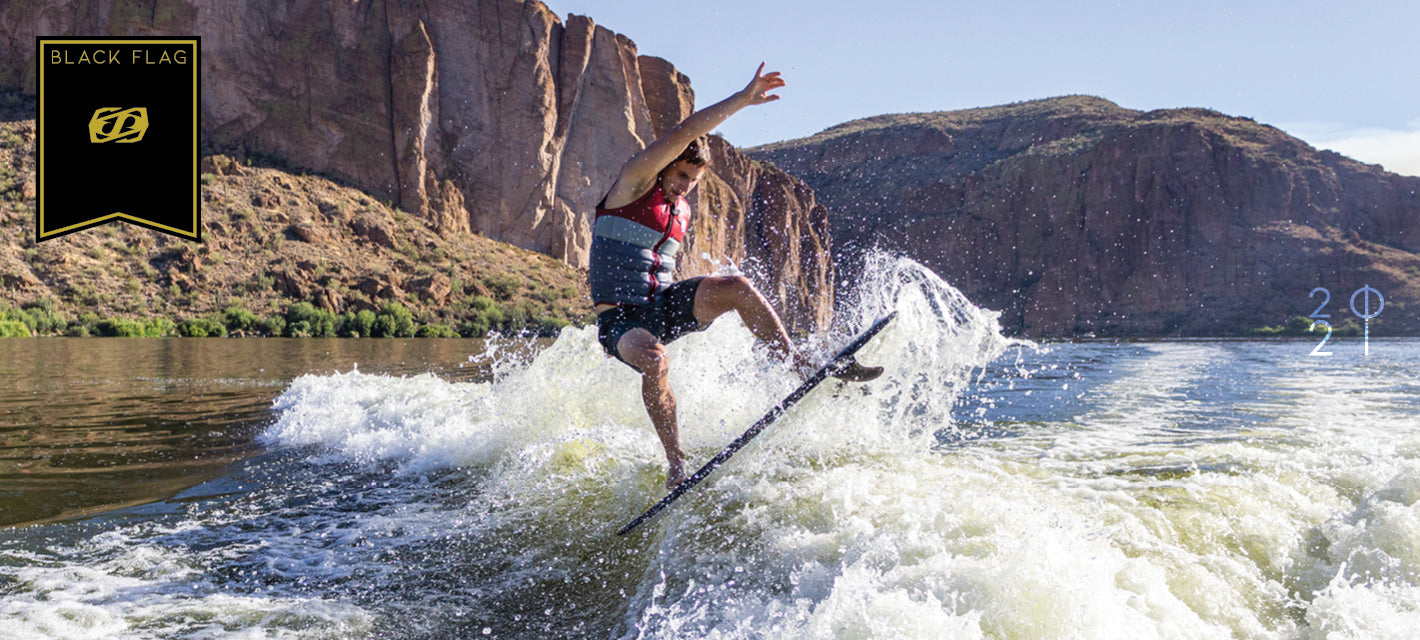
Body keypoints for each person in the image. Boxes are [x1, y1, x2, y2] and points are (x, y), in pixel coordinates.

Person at [589, 63, 882, 489]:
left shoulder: (682, 212)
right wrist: (743, 100)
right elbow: (687, 131)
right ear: (663, 166)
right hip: (621, 321)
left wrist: (701, 298)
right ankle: (676, 466)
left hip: (663, 306)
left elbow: (661, 268)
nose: (685, 186)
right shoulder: (632, 185)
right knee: (655, 360)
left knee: (736, 287)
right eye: (680, 175)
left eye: (693, 180)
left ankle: (795, 363)